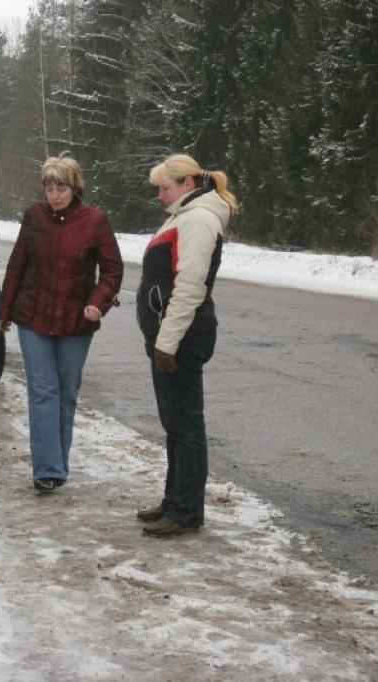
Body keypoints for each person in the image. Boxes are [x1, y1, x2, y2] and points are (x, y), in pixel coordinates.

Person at [0, 154, 123, 493]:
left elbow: (112, 270)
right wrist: (4, 312)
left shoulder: (95, 221)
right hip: (33, 319)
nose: (54, 195)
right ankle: (47, 469)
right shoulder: (34, 217)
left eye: (61, 188)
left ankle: (58, 464)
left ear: (74, 186)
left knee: (66, 393)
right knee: (42, 391)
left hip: (75, 322)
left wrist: (98, 303)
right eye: (49, 188)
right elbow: (17, 265)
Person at [135, 153, 238, 537]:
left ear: (187, 184)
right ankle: (174, 501)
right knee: (175, 424)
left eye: (165, 187)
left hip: (182, 334)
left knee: (186, 426)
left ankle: (186, 511)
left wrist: (167, 342)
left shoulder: (198, 219)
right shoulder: (185, 215)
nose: (160, 195)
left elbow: (190, 286)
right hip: (173, 334)